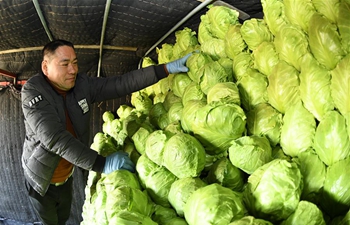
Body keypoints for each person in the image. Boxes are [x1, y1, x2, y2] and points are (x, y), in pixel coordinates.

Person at [21, 39, 191, 225]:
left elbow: (120, 84)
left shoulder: (81, 85)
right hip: (42, 179)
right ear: (45, 67)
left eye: (75, 62)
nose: (73, 70)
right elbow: (54, 138)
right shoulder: (33, 91)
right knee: (50, 222)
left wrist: (164, 69)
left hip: (67, 174)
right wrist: (102, 164)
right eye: (65, 64)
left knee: (63, 217)